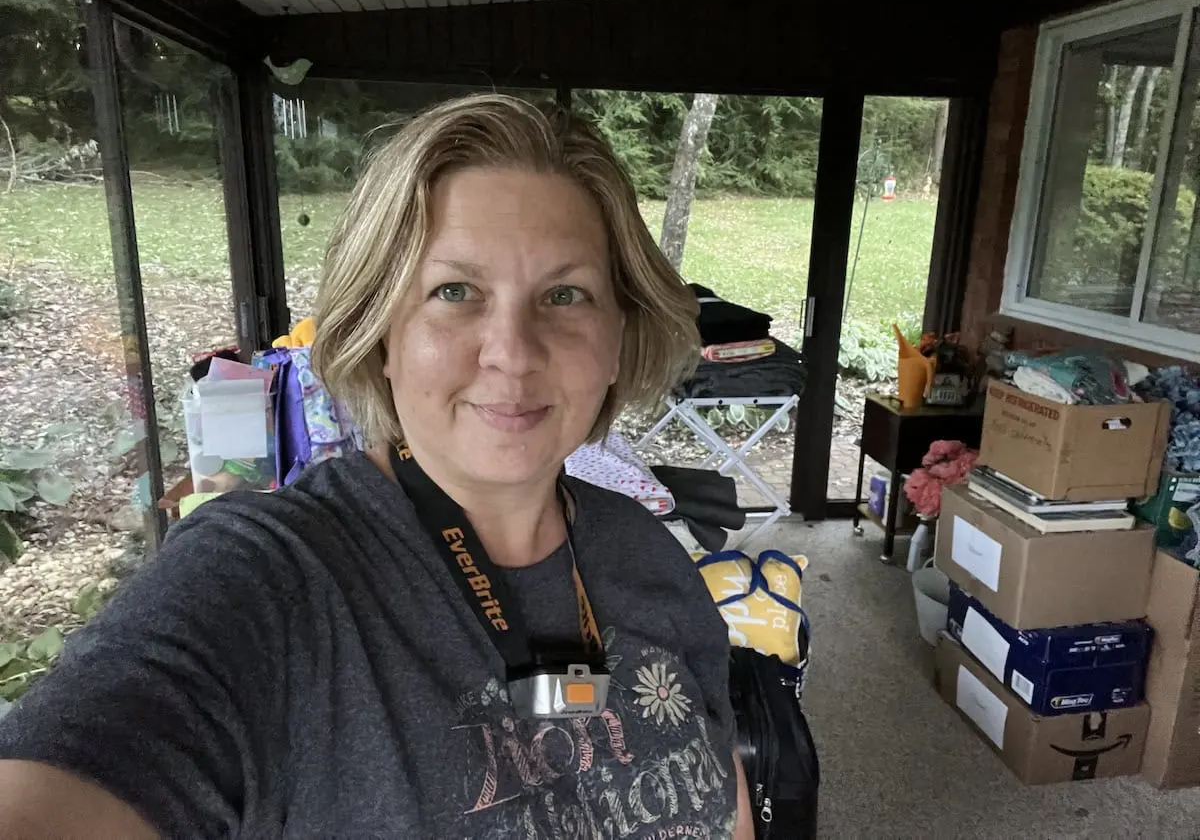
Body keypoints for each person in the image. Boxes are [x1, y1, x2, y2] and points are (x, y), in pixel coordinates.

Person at [0, 94, 753, 838]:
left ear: (618, 336)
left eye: (566, 294)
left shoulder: (651, 556)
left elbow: (730, 809)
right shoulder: (269, 577)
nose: (513, 353)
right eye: (454, 292)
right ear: (382, 331)